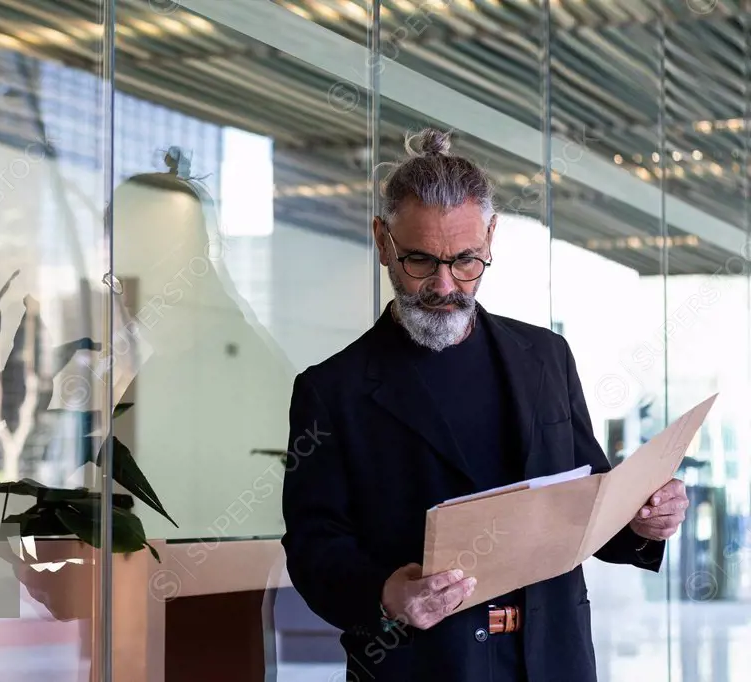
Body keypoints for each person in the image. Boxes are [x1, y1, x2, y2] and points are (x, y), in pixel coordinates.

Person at [280, 127, 688, 682]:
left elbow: (588, 498)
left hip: (554, 660)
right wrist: (386, 594)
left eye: (467, 260)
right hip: (421, 666)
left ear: (491, 237)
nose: (445, 285)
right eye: (420, 261)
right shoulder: (332, 390)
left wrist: (643, 521)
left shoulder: (546, 357)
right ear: (382, 241)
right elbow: (313, 547)